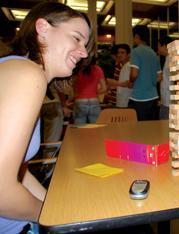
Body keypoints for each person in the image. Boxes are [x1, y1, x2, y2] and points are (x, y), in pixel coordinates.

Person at [0, 2, 90, 233]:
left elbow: (21, 173)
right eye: (76, 38)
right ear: (42, 28)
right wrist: (51, 215)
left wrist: (57, 208)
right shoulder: (27, 75)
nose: (84, 52)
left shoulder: (14, 70)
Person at [128, 25, 162, 121]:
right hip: (153, 97)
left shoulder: (135, 51)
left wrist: (131, 81)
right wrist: (149, 82)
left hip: (139, 98)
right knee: (150, 128)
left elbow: (134, 74)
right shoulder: (153, 53)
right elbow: (159, 77)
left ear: (137, 36)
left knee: (138, 130)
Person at [73, 55, 107, 124]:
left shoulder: (76, 70)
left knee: (79, 128)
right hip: (94, 101)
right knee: (95, 128)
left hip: (80, 101)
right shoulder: (98, 69)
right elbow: (104, 88)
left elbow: (73, 90)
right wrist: (94, 92)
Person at [107, 44, 133, 108]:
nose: (119, 55)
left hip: (127, 101)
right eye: (118, 53)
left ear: (128, 54)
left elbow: (130, 83)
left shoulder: (130, 66)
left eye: (122, 52)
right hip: (119, 101)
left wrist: (115, 83)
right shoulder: (121, 66)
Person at [158, 36, 173, 120]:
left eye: (158, 46)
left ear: (164, 46)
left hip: (170, 102)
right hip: (165, 101)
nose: (158, 49)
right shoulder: (167, 59)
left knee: (166, 128)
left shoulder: (172, 59)